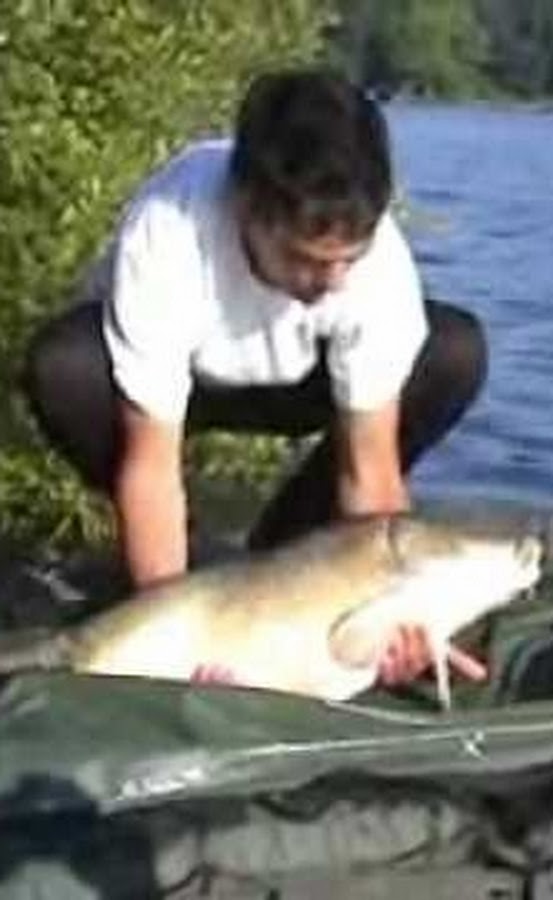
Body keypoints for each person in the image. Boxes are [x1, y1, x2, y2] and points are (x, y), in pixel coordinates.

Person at [21, 68, 487, 687]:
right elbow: (151, 467)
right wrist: (182, 631)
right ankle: (199, 570)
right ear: (246, 207)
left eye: (348, 259)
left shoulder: (377, 269)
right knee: (63, 366)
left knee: (452, 350)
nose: (332, 283)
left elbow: (369, 472)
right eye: (304, 259)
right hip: (181, 386)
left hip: (305, 383)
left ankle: (293, 544)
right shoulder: (169, 228)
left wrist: (401, 617)